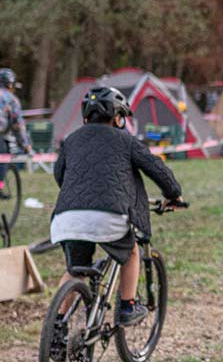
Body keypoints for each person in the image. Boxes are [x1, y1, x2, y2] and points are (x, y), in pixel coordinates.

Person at [50, 86, 185, 326]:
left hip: (67, 216)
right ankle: (127, 306)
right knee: (131, 252)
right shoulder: (126, 140)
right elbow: (157, 169)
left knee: (75, 270)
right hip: (109, 215)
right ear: (117, 116)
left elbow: (60, 175)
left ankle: (56, 328)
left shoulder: (71, 140)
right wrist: (173, 194)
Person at [0, 68, 33, 200]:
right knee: (3, 159)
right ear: (10, 84)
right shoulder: (11, 99)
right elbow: (18, 126)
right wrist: (26, 146)